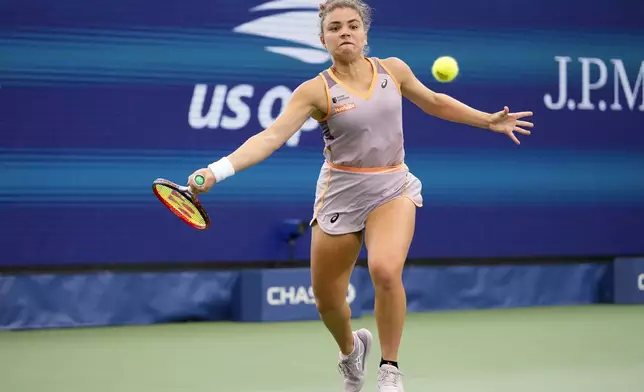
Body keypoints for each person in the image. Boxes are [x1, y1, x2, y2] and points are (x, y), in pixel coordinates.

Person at [187, 0, 534, 390]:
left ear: (365, 34)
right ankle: (351, 352)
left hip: (392, 185)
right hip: (341, 193)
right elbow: (270, 137)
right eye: (335, 28)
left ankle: (390, 369)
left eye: (353, 25)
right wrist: (216, 171)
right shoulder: (314, 91)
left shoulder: (393, 70)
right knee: (328, 302)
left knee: (385, 269)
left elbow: (434, 101)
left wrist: (487, 120)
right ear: (323, 39)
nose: (345, 32)